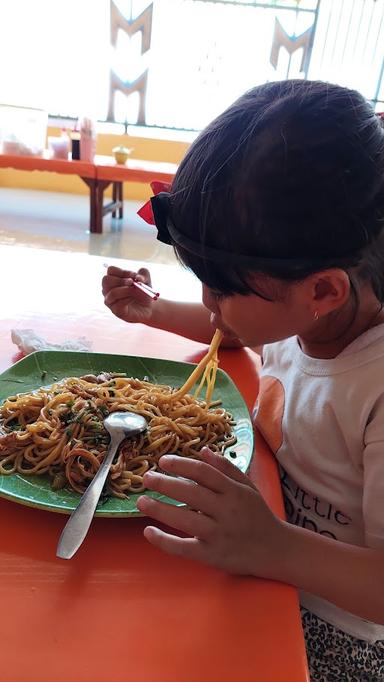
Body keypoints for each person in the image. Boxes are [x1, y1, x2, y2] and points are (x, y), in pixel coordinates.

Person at [102, 80, 384, 681]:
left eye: (223, 287)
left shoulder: (376, 388)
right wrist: (153, 312)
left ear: (323, 291)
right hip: (262, 543)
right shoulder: (311, 310)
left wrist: (274, 545)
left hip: (337, 629)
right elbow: (238, 330)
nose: (209, 301)